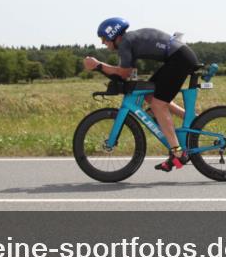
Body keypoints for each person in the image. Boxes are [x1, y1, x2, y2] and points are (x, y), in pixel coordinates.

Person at [83, 18, 200, 172]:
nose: (103, 43)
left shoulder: (125, 43)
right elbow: (129, 72)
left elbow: (124, 73)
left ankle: (178, 153)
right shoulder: (129, 40)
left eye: (104, 39)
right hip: (179, 56)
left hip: (179, 59)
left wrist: (98, 65)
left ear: (113, 35)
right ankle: (194, 120)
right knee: (150, 95)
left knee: (158, 105)